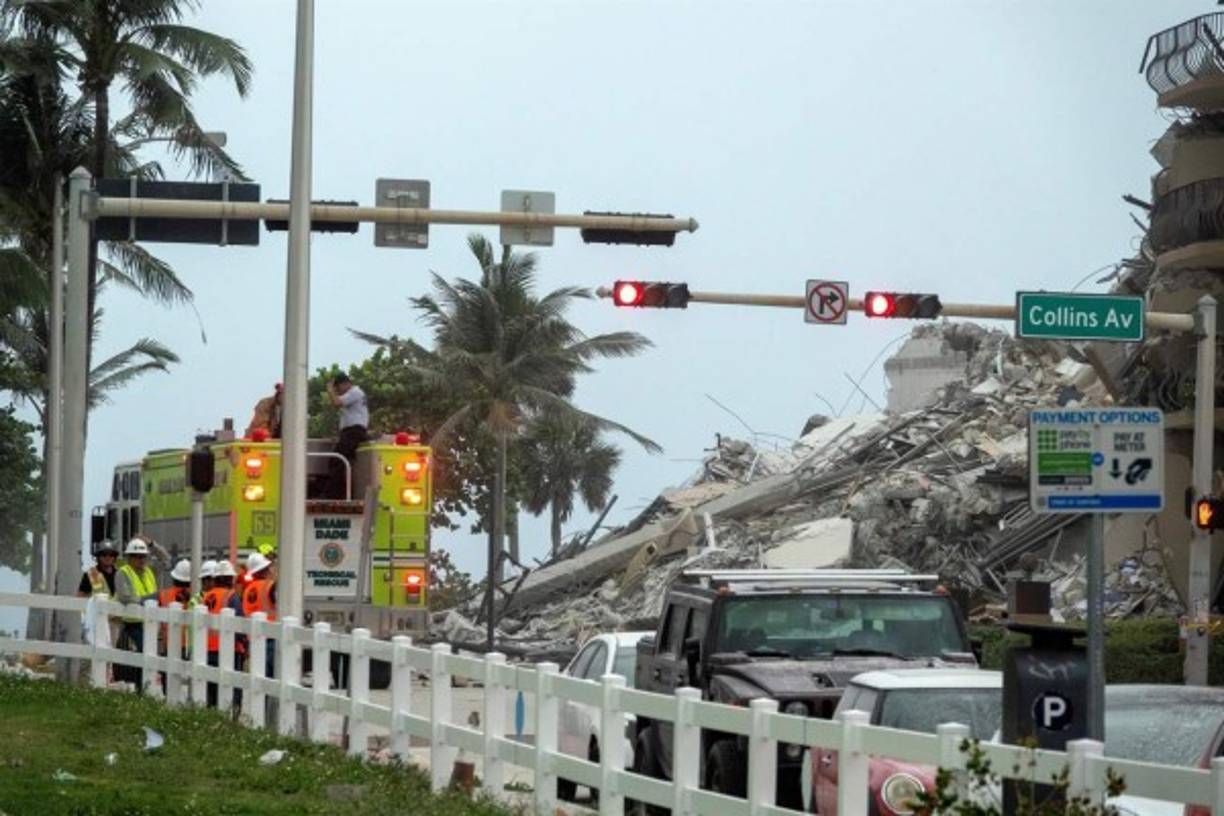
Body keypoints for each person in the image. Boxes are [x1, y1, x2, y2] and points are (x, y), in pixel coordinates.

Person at [115, 538, 159, 690]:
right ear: (129, 557)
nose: (140, 559)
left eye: (143, 556)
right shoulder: (123, 573)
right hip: (132, 623)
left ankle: (145, 687)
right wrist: (146, 599)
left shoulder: (149, 572)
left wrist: (153, 545)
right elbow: (125, 596)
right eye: (136, 556)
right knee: (143, 653)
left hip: (149, 622)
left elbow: (166, 561)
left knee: (150, 654)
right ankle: (141, 687)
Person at [202, 560, 243, 708]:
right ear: (229, 579)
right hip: (227, 650)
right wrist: (244, 643)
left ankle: (211, 715)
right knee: (231, 688)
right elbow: (239, 624)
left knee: (211, 688)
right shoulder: (231, 597)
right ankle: (230, 718)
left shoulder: (207, 596)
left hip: (207, 649)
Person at [325, 373, 367, 498]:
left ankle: (334, 495)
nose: (338, 392)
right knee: (343, 462)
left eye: (338, 388)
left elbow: (337, 403)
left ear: (345, 384)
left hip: (354, 431)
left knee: (336, 460)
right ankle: (341, 493)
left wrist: (330, 390)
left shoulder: (355, 392)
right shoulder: (354, 394)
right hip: (350, 432)